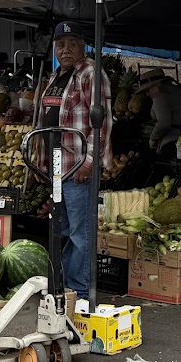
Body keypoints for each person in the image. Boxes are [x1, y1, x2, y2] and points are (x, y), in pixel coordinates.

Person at [35, 21, 112, 301]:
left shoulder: (91, 73)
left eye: (72, 44)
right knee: (63, 229)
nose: (65, 50)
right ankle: (66, 289)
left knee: (81, 233)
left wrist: (90, 162)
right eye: (60, 44)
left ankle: (81, 293)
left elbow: (101, 122)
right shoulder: (59, 75)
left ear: (83, 46)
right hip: (58, 169)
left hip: (77, 166)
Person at [138, 69, 181, 160]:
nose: (147, 94)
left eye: (147, 90)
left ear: (155, 86)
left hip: (172, 142)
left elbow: (163, 123)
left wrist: (153, 139)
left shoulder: (160, 96)